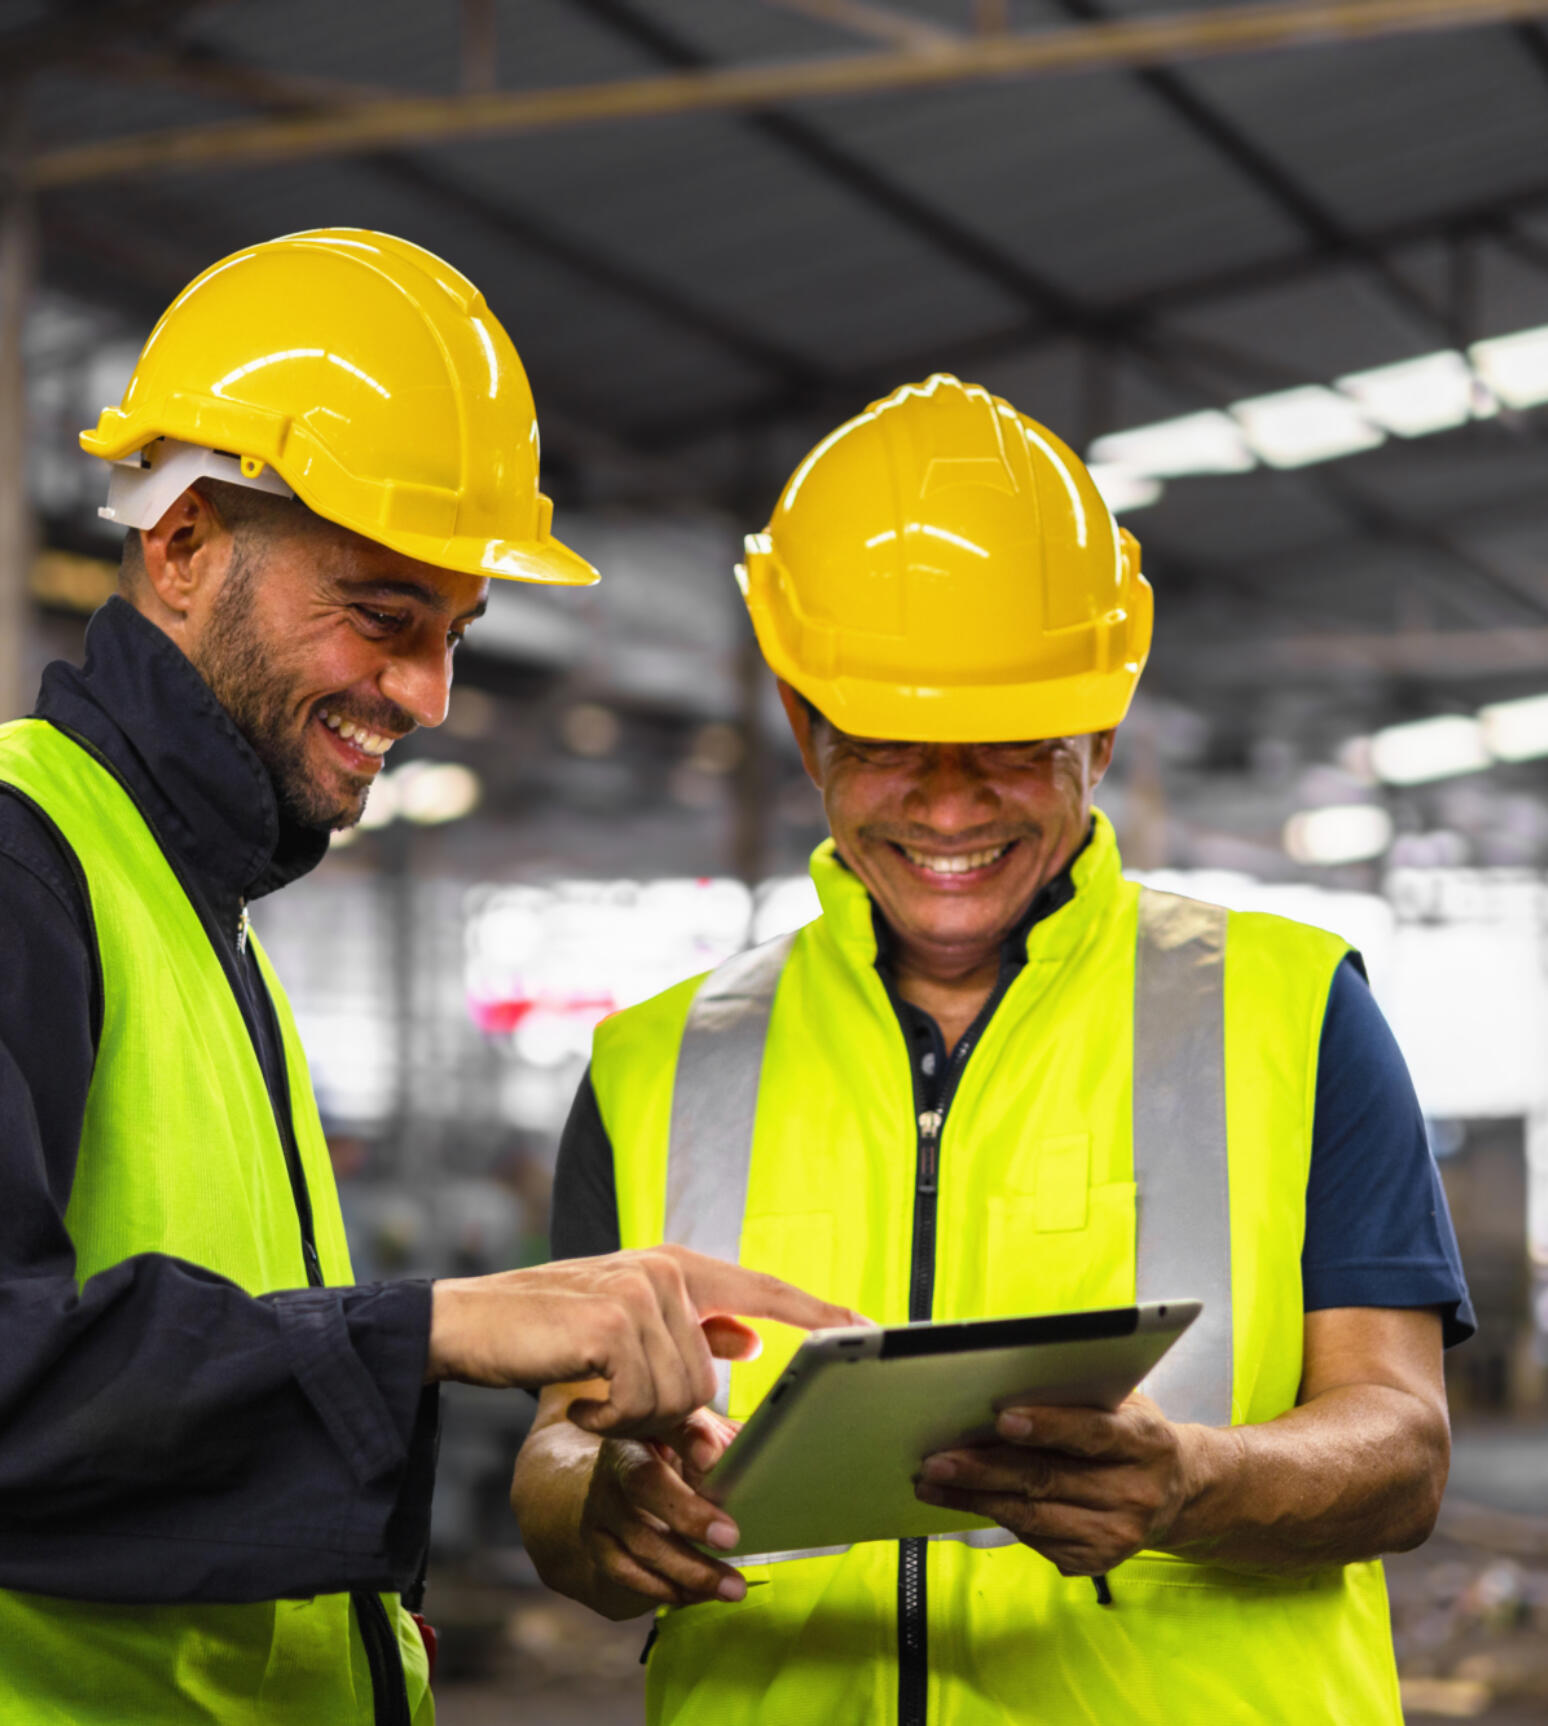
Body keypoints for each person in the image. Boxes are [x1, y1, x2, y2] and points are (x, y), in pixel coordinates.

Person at [512, 373, 1474, 1725]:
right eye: (895, 748)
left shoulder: (1294, 1012)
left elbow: (1405, 1445)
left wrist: (1193, 1481)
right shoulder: (651, 1066)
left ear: (1102, 719)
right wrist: (600, 1506)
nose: (951, 805)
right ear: (803, 722)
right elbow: (560, 1444)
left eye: (1010, 748)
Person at [0, 229, 856, 1726]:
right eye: (384, 613)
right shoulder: (26, 859)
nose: (430, 693)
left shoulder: (198, 901)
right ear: (185, 539)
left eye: (454, 633)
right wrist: (440, 1326)